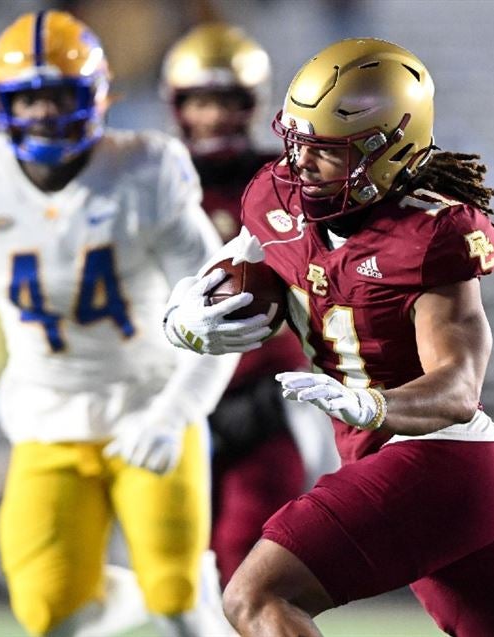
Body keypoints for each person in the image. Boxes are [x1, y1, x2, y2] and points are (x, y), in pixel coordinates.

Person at [162, 38, 494, 636]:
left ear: (386, 150)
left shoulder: (431, 232)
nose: (301, 165)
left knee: (256, 595)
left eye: (326, 152)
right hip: (408, 470)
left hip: (440, 460)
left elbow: (458, 388)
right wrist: (185, 318)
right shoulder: (276, 196)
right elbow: (247, 262)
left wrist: (375, 404)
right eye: (297, 143)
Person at [0, 11, 244, 637]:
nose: (42, 112)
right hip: (46, 414)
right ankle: (138, 600)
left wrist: (174, 414)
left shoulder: (145, 169)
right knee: (49, 613)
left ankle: (170, 594)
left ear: (95, 97)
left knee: (180, 602)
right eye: (28, 96)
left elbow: (223, 311)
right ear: (0, 105)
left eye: (57, 94)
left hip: (145, 404)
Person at [159, 22, 337, 589]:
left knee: (253, 561)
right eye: (200, 101)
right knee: (177, 572)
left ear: (252, 104)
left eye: (225, 101)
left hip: (264, 400)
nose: (212, 117)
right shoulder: (150, 182)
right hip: (171, 400)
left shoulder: (285, 183)